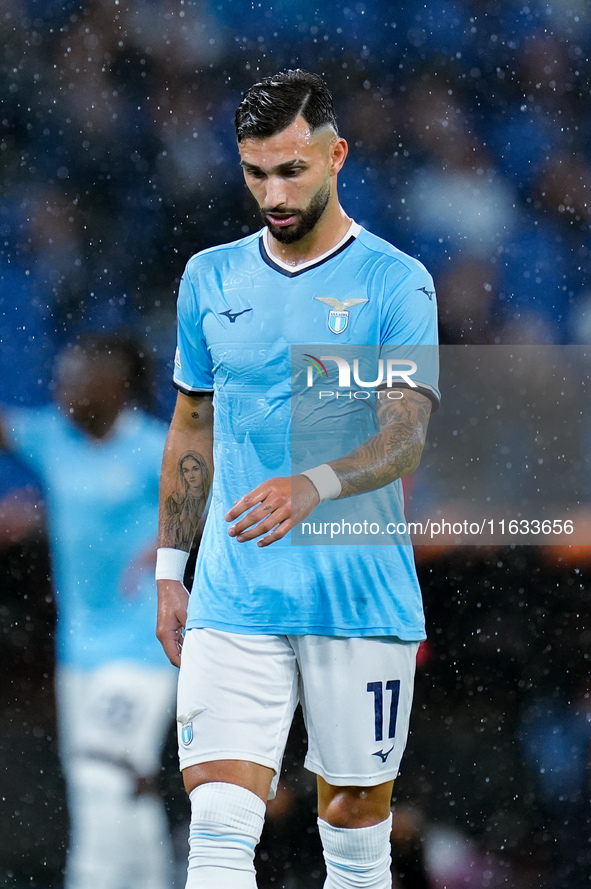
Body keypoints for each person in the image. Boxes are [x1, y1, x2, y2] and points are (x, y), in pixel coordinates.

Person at [156, 69, 440, 889]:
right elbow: (193, 424)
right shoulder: (209, 278)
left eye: (291, 169)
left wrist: (311, 482)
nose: (272, 191)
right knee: (216, 825)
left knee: (353, 832)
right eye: (254, 172)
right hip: (235, 594)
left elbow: (403, 435)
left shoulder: (394, 282)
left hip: (354, 590)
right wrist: (175, 570)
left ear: (336, 155)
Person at [0, 333, 177, 889]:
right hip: (78, 650)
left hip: (143, 647)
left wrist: (178, 538)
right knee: (116, 785)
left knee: (102, 778)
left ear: (115, 384)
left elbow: (226, 500)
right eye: (59, 374)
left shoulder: (157, 449)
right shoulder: (51, 438)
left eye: (75, 374)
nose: (60, 385)